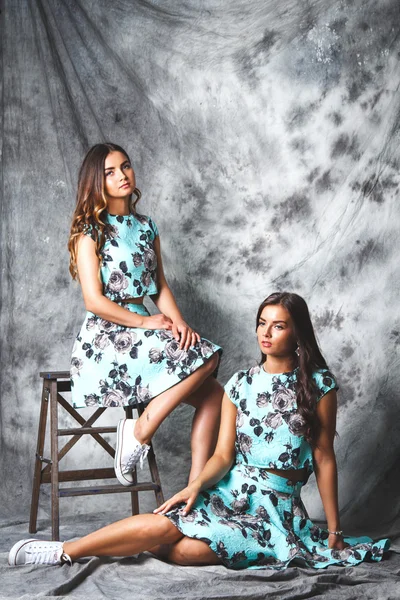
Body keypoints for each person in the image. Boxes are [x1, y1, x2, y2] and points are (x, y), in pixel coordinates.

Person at [9, 292, 390, 568]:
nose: (266, 333)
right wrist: (195, 486)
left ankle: (135, 540)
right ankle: (62, 551)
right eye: (262, 323)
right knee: (167, 525)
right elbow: (223, 456)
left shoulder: (320, 386)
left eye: (279, 326)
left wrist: (335, 529)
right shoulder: (240, 384)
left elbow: (324, 457)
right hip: (231, 489)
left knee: (180, 551)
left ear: (297, 333)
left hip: (276, 509)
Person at [68, 142, 223, 485]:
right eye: (110, 172)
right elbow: (93, 301)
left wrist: (179, 323)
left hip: (147, 329)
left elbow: (160, 287)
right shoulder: (90, 232)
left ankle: (195, 488)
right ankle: (139, 431)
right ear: (97, 182)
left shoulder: (146, 226)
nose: (122, 175)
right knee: (208, 360)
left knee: (215, 395)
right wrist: (145, 321)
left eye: (125, 166)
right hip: (108, 336)